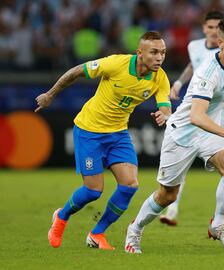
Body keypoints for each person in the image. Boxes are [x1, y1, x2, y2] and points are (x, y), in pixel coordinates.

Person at [124, 18, 224, 253]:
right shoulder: (208, 72)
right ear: (220, 43)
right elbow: (196, 116)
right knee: (168, 195)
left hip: (206, 132)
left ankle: (218, 226)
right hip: (182, 134)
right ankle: (134, 230)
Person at [35, 31, 171, 250]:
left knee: (129, 185)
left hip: (118, 134)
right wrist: (50, 94)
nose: (159, 57)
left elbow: (164, 103)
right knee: (93, 191)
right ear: (140, 53)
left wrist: (165, 113)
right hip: (89, 130)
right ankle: (61, 216)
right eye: (154, 52)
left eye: (162, 52)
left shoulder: (160, 77)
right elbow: (77, 71)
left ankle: (97, 233)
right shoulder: (116, 63)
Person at [160, 10, 224, 226]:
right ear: (204, 29)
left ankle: (222, 214)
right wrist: (178, 83)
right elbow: (192, 67)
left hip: (223, 115)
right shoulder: (194, 47)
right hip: (198, 113)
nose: (213, 31)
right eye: (209, 27)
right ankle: (172, 210)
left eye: (217, 28)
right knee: (180, 163)